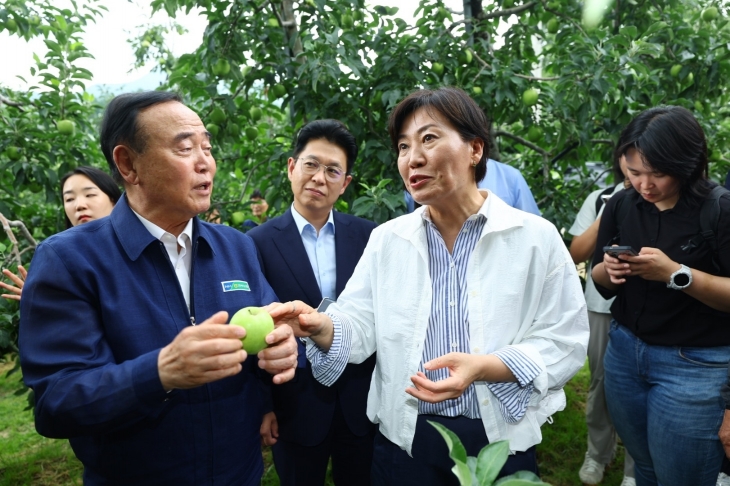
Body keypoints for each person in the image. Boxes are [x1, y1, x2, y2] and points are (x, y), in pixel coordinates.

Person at [269, 87, 588, 484]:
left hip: (499, 438)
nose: (412, 158)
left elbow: (566, 339)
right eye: (403, 146)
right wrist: (322, 326)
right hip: (406, 439)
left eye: (429, 139)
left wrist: (486, 367)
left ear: (475, 149)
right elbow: (359, 323)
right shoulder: (388, 239)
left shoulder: (534, 237)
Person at [18, 91, 298, 485]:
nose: (206, 163)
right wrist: (160, 372)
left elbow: (269, 323)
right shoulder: (69, 260)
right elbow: (56, 402)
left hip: (241, 473)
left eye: (207, 147)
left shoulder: (236, 246)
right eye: (185, 148)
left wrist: (282, 348)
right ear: (128, 164)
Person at [591, 106, 730, 486]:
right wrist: (611, 269)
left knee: (681, 477)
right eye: (633, 172)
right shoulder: (621, 204)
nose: (645, 185)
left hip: (694, 365)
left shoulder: (718, 209)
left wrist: (675, 274)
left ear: (687, 165)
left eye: (659, 174)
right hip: (625, 355)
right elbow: (598, 277)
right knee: (645, 465)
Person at [247, 120, 377, 485]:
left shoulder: (369, 236)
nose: (320, 178)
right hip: (295, 401)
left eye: (333, 170)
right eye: (311, 165)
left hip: (359, 400)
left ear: (346, 183)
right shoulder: (256, 242)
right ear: (292, 167)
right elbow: (258, 326)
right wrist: (265, 406)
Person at [569, 156, 635, 486]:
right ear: (621, 158)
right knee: (600, 383)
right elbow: (576, 253)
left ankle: (635, 470)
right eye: (631, 156)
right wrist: (607, 211)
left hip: (645, 308)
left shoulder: (666, 200)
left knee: (642, 388)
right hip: (600, 304)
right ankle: (597, 454)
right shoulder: (599, 197)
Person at [1, 166, 122, 301]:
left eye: (90, 195)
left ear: (114, 200)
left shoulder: (140, 246)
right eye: (69, 199)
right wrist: (44, 302)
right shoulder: (58, 256)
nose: (79, 205)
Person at [404, 158, 541, 215]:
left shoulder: (509, 177)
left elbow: (534, 233)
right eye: (404, 146)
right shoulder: (419, 182)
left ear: (476, 147)